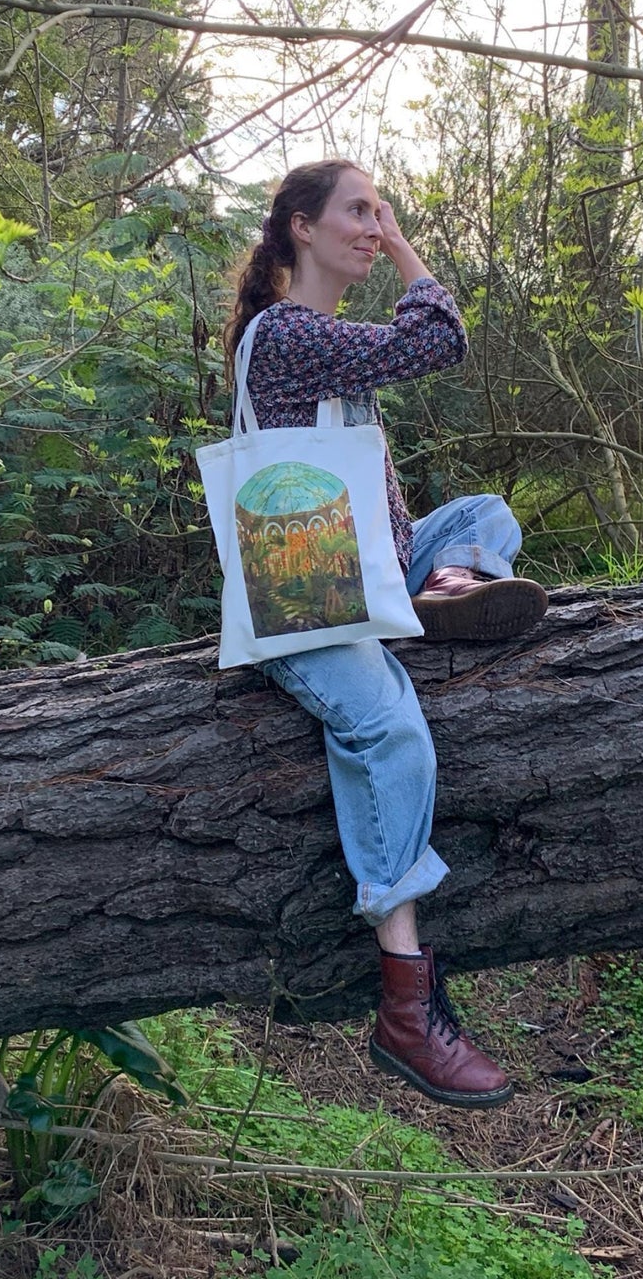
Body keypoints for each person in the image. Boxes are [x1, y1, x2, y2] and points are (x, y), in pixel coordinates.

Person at [223, 157, 549, 1108]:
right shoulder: (285, 334)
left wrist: (385, 228)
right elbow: (438, 335)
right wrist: (407, 249)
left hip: (370, 562)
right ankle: (405, 1003)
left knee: (483, 511)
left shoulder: (317, 337)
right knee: (390, 727)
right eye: (358, 212)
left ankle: (446, 584)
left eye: (381, 214)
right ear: (300, 229)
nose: (374, 226)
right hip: (301, 589)